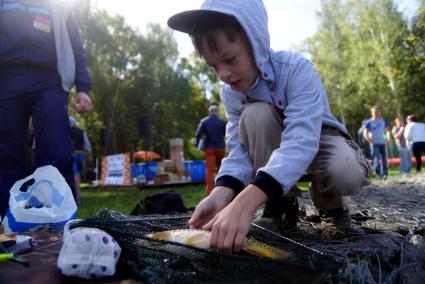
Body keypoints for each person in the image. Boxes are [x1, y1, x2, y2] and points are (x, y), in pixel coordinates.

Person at [168, 0, 371, 253]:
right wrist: (222, 191)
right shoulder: (231, 94)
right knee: (256, 114)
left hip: (318, 138)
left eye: (230, 59)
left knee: (344, 169)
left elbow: (301, 140)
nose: (223, 74)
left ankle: (331, 205)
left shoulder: (296, 70)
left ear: (256, 42)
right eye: (213, 66)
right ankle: (280, 205)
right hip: (273, 150)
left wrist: (245, 203)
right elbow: (239, 150)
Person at [0, 0, 92, 217]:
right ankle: (9, 220)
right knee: (5, 152)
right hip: (6, 80)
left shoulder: (59, 6)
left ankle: (60, 220)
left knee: (57, 150)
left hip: (49, 81)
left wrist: (83, 87)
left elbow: (75, 45)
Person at [195, 104, 227, 195]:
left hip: (209, 148)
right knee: (222, 169)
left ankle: (209, 191)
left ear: (209, 112)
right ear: (217, 111)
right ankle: (223, 188)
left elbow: (197, 134)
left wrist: (199, 146)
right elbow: (227, 134)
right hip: (220, 147)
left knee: (209, 170)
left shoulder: (204, 121)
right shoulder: (222, 122)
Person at [363, 106, 391, 179]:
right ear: (371, 112)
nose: (376, 113)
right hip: (375, 144)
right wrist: (370, 141)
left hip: (383, 143)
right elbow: (365, 133)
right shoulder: (369, 122)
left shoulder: (383, 121)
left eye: (377, 111)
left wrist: (388, 139)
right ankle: (378, 174)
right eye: (374, 111)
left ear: (380, 112)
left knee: (385, 159)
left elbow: (387, 131)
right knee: (376, 159)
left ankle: (385, 174)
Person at [69, 116, 93, 204]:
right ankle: (77, 196)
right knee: (77, 174)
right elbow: (87, 144)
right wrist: (89, 154)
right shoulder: (81, 131)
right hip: (81, 154)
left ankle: (76, 197)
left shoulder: (65, 131)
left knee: (73, 174)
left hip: (70, 154)